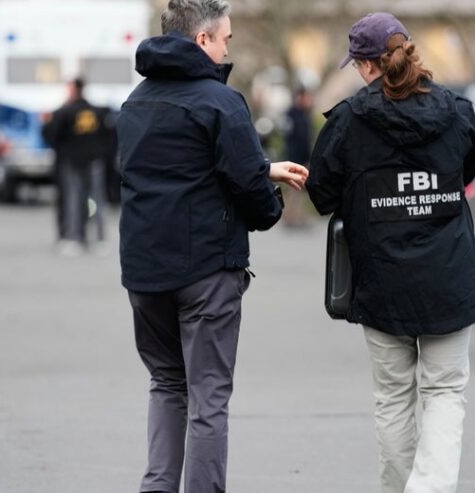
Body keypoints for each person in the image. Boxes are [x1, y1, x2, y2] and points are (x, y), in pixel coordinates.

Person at [116, 1, 309, 492]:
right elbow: (251, 193)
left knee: (166, 384)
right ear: (202, 40)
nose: (227, 50)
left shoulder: (136, 101)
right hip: (205, 270)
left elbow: (177, 168)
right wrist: (267, 196)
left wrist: (263, 169)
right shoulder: (222, 102)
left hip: (144, 271)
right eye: (225, 39)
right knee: (208, 397)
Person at [306, 13, 475, 493]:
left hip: (382, 281)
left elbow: (321, 194)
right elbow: (468, 168)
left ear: (368, 65)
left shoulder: (348, 122)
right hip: (449, 278)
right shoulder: (457, 112)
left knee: (393, 397)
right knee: (445, 391)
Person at [42, 78, 106, 256]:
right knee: (97, 201)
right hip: (94, 160)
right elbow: (107, 135)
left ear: (73, 90)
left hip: (73, 162)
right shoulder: (96, 110)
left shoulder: (65, 111)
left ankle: (75, 238)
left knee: (74, 201)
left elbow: (51, 133)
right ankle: (100, 239)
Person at [282, 87, 315, 228]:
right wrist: (296, 160)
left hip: (303, 159)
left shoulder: (304, 114)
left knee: (299, 189)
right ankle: (289, 217)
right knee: (294, 188)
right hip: (295, 159)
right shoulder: (292, 114)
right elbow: (291, 140)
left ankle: (297, 216)